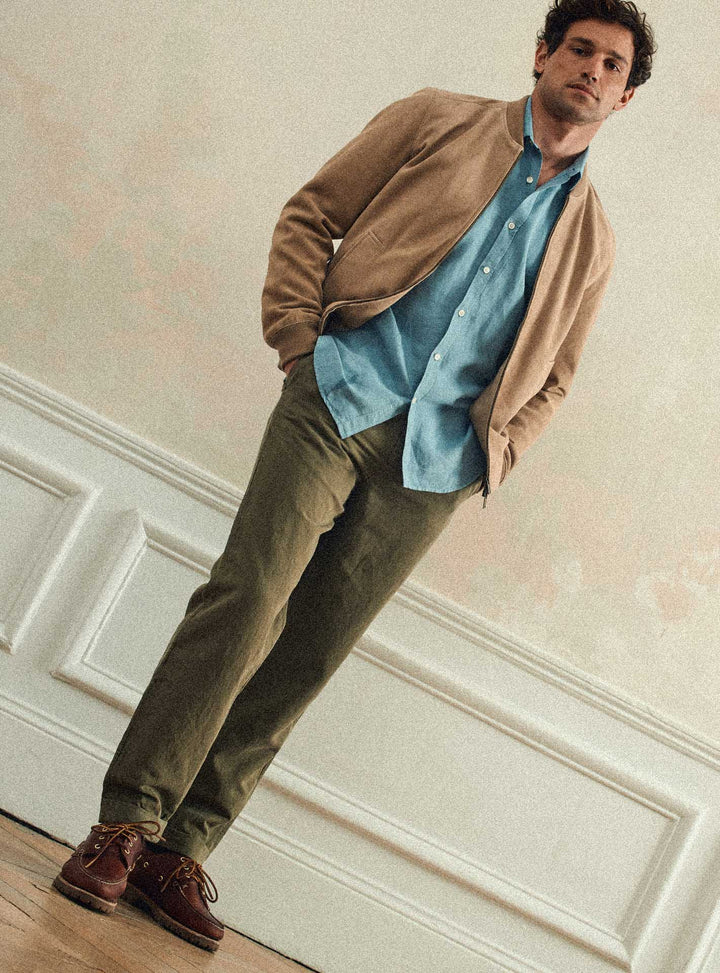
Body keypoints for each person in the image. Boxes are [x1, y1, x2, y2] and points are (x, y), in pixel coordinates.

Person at [53, 0, 655, 953]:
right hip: (337, 397)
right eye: (579, 49)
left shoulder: (594, 237)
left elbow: (557, 377)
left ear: (624, 99)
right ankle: (125, 823)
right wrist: (299, 340)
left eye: (612, 65)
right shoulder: (436, 119)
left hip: (434, 465)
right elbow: (315, 213)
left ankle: (182, 848)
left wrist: (494, 452)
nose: (592, 69)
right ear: (542, 55)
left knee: (310, 651)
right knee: (250, 598)